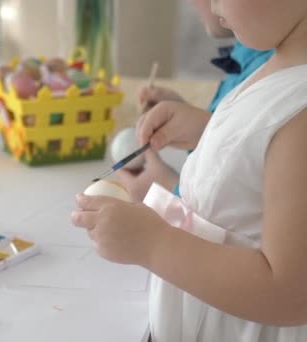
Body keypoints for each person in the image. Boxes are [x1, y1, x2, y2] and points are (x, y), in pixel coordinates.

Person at [71, 0, 307, 341]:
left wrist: (151, 243)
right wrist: (209, 131)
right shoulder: (281, 66)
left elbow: (289, 293)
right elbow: (263, 167)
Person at [116, 0, 273, 203]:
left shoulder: (270, 78)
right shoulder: (248, 53)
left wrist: (169, 192)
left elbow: (242, 207)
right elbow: (236, 147)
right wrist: (197, 126)